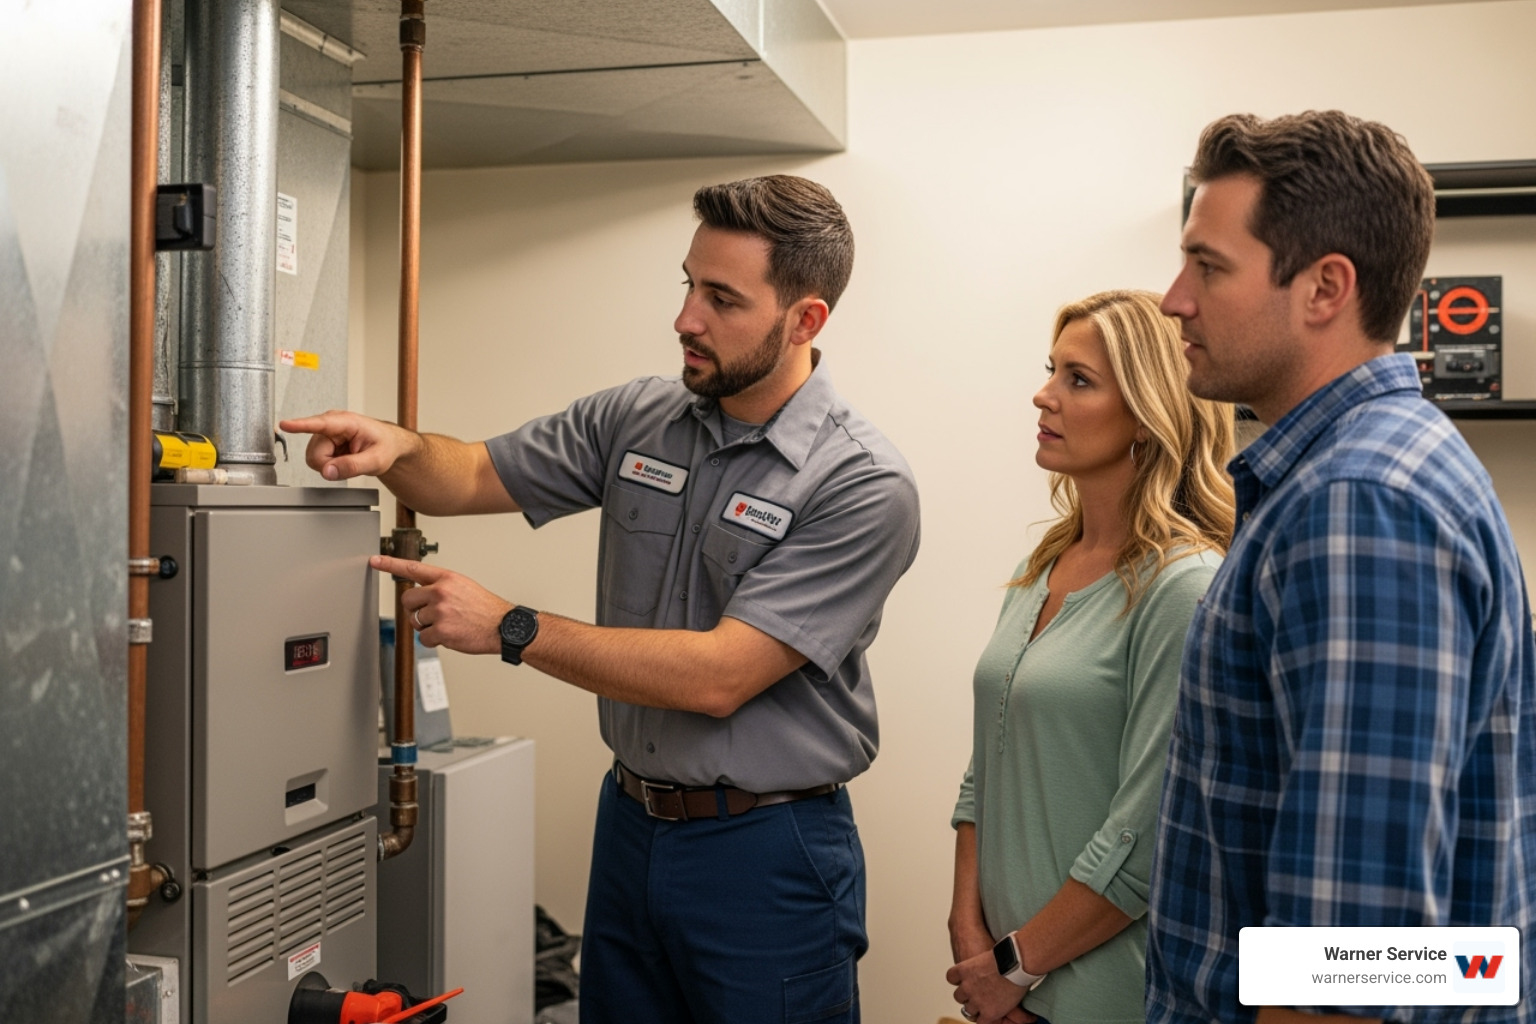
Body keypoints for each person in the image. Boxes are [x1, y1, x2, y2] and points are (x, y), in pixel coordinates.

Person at [281, 175, 921, 1024]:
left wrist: (511, 627)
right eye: (688, 285)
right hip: (630, 825)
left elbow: (720, 676)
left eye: (722, 298)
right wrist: (397, 447)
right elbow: (468, 474)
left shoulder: (861, 484)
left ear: (805, 320)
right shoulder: (639, 418)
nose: (686, 318)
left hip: (766, 852)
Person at [1147, 111, 1536, 1024]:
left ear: (1324, 288)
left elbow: (1350, 964)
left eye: (1209, 266)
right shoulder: (1354, 474)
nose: (1174, 299)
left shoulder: (1360, 504)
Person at [947, 290, 1235, 1024]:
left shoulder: (1184, 585)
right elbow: (986, 766)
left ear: (1147, 411)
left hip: (1102, 990)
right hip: (1001, 974)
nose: (1044, 395)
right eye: (1052, 370)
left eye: (1078, 380)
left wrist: (1017, 964)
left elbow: (1147, 831)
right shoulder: (1044, 564)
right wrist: (969, 932)